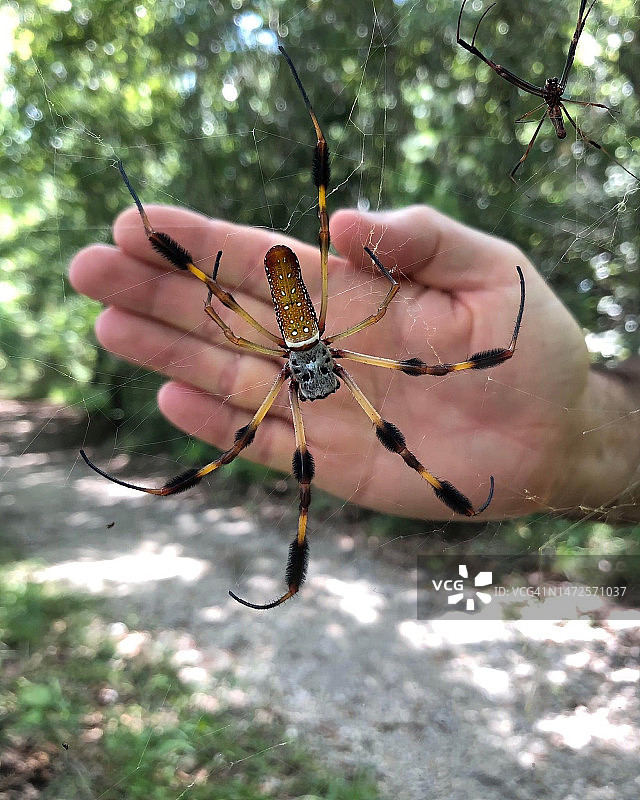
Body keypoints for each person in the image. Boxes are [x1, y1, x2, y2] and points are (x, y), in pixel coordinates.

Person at [69, 203, 640, 523]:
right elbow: (221, 316)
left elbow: (433, 367)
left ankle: (452, 496)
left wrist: (504, 353)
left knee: (404, 404)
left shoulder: (323, 351)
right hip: (297, 338)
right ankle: (167, 490)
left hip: (290, 340)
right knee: (259, 446)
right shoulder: (327, 354)